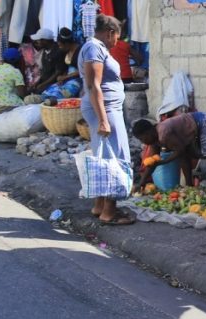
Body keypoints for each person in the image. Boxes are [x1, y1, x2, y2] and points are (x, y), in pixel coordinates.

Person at [80, 15, 134, 225]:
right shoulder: (95, 48)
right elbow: (94, 85)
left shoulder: (93, 48)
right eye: (116, 38)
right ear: (110, 33)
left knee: (102, 155)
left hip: (103, 107)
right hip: (105, 109)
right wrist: (103, 119)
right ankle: (109, 212)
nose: (116, 43)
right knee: (116, 156)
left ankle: (99, 206)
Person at [132, 112, 206, 192]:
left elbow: (180, 150)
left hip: (204, 122)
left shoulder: (164, 133)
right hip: (194, 126)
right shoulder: (154, 141)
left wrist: (163, 162)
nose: (143, 142)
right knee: (183, 157)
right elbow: (152, 164)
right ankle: (189, 187)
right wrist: (141, 184)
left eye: (142, 138)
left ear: (148, 132)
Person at [40, 27, 83, 100]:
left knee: (58, 95)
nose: (59, 48)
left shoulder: (80, 51)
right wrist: (62, 78)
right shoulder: (66, 51)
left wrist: (65, 77)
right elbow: (66, 68)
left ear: (66, 44)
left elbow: (83, 70)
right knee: (47, 93)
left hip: (78, 80)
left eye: (60, 45)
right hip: (67, 79)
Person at [0, 48, 27, 113]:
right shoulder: (15, 72)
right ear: (18, 61)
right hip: (4, 107)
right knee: (28, 102)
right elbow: (21, 94)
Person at [29, 28, 64, 96]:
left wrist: (43, 84)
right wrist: (38, 82)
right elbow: (45, 70)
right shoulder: (45, 51)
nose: (37, 42)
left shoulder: (58, 51)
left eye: (39, 40)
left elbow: (58, 72)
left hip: (54, 84)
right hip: (45, 82)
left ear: (44, 41)